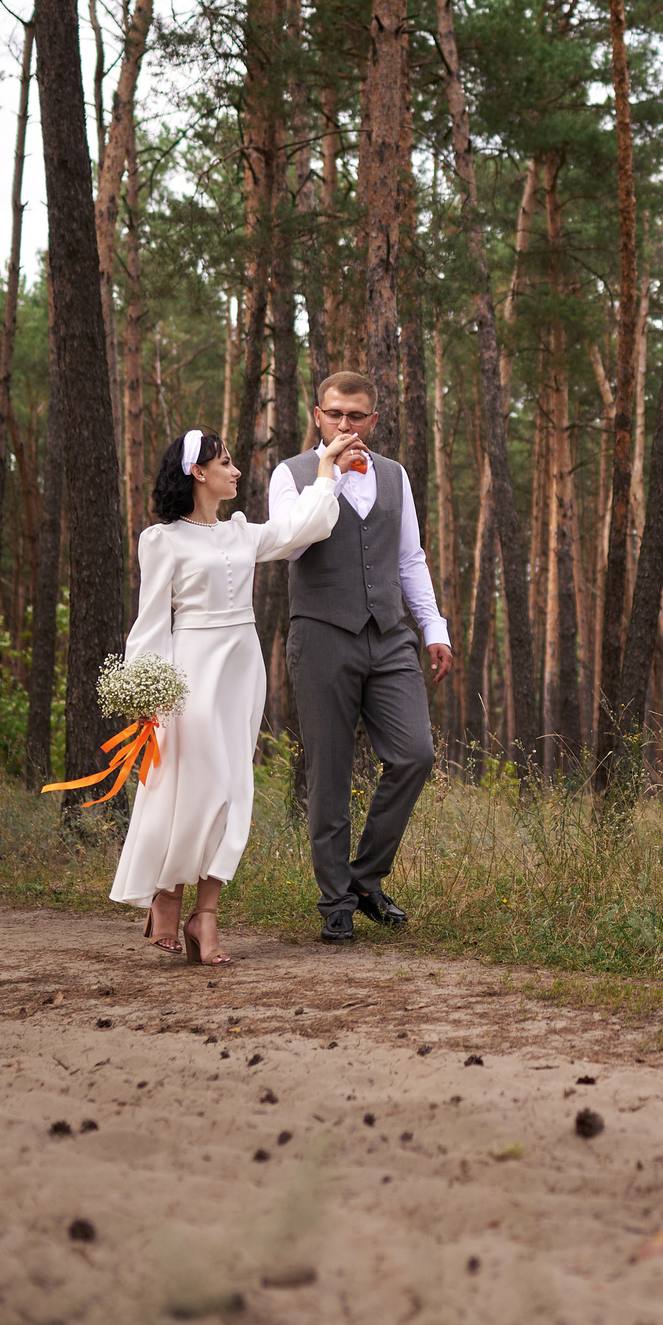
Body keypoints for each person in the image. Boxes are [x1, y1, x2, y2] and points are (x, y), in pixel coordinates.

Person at [107, 426, 353, 964]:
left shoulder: (242, 533)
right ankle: (167, 895)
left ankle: (207, 915)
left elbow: (305, 526)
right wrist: (146, 692)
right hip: (189, 673)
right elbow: (151, 622)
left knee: (233, 787)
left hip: (242, 671)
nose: (237, 471)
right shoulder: (162, 539)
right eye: (225, 463)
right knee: (192, 786)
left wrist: (327, 468)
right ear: (198, 472)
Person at [266, 371, 452, 944]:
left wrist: (433, 627)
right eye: (334, 414)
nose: (344, 424)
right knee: (329, 770)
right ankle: (336, 901)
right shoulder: (291, 474)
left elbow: (410, 557)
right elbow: (289, 544)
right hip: (322, 633)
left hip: (389, 634)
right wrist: (330, 475)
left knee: (415, 754)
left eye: (355, 416)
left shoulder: (394, 475)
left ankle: (365, 878)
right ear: (317, 416)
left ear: (373, 420)